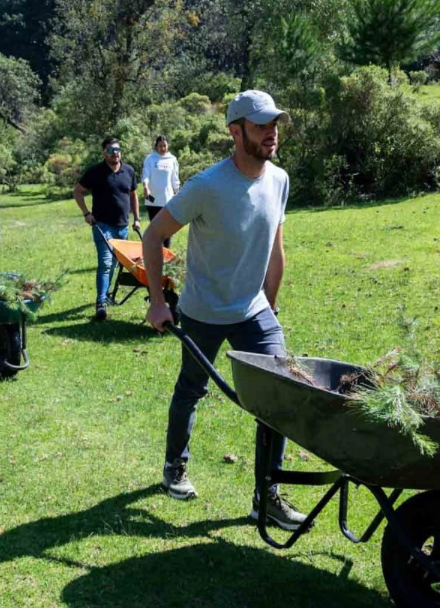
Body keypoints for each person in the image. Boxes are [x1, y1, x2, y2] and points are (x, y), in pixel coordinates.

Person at [141, 89, 305, 532]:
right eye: (260, 125)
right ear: (236, 131)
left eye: (274, 124)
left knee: (281, 396)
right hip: (203, 311)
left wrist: (269, 309)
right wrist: (158, 302)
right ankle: (175, 467)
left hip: (253, 310)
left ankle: (265, 496)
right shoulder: (207, 186)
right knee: (191, 390)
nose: (271, 133)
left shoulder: (279, 180)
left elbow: (275, 247)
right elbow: (153, 236)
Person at [74, 137, 142, 320]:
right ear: (104, 152)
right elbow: (78, 191)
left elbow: (133, 195)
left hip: (122, 226)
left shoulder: (128, 170)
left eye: (118, 150)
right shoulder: (96, 172)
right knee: (105, 263)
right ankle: (101, 302)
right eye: (111, 151)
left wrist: (137, 218)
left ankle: (106, 295)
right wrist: (86, 213)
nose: (116, 153)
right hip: (102, 225)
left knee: (114, 263)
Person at [141, 134, 180, 248]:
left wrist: (177, 193)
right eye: (160, 146)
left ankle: (166, 254)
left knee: (167, 229)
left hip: (167, 200)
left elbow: (175, 179)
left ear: (167, 146)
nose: (162, 148)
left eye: (164, 146)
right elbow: (146, 174)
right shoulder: (150, 159)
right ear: (156, 146)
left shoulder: (172, 159)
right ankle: (155, 253)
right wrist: (145, 187)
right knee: (156, 229)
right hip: (152, 200)